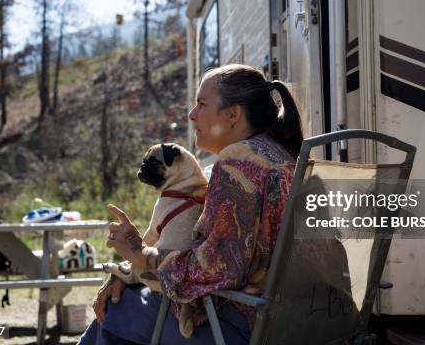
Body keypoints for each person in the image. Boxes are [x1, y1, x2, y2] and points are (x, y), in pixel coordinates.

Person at [79, 64, 303, 344]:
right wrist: (130, 272)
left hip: (241, 326)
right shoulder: (283, 157)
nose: (191, 114)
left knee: (115, 310)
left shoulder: (238, 163)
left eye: (202, 104)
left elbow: (212, 269)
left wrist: (137, 253)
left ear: (233, 114)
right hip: (294, 321)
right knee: (123, 303)